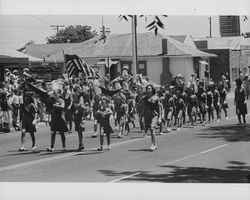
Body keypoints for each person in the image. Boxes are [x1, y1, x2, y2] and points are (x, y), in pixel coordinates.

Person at [143, 84, 161, 151]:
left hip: (154, 115)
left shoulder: (156, 98)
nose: (148, 90)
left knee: (152, 127)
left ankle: (152, 144)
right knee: (151, 130)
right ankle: (155, 144)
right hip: (147, 115)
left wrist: (160, 117)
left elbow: (159, 108)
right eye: (147, 88)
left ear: (152, 89)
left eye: (149, 88)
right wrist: (143, 116)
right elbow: (144, 107)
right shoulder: (145, 98)